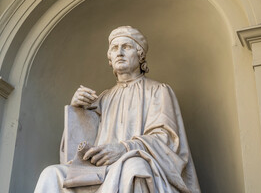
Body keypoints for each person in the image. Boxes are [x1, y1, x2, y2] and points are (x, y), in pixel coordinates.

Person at [34, 26, 200, 193]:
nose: (119, 52)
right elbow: (75, 151)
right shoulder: (102, 99)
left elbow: (167, 140)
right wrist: (77, 111)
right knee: (51, 174)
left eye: (126, 47)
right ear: (110, 58)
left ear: (140, 55)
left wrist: (124, 149)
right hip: (97, 170)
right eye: (114, 48)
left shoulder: (158, 91)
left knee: (135, 167)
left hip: (132, 163)